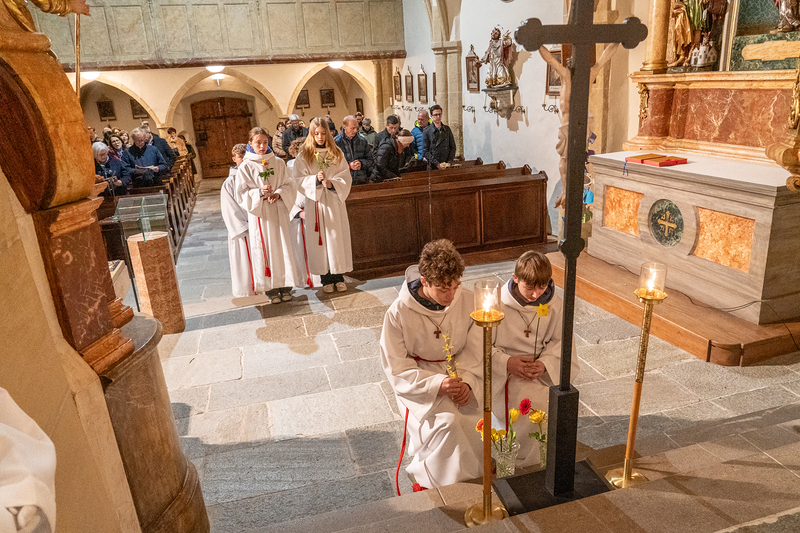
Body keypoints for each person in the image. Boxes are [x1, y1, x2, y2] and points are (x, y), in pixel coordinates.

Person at [380, 239, 483, 489]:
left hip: (461, 373)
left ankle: (478, 476)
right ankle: (442, 481)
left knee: (477, 416)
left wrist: (468, 382)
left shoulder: (467, 300)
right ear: (425, 281)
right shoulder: (398, 312)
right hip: (421, 383)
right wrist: (438, 385)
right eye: (444, 289)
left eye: (456, 286)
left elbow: (476, 346)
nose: (452, 295)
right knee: (448, 423)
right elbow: (396, 367)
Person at [492, 251, 579, 467]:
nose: (535, 294)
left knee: (554, 404)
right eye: (529, 287)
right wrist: (507, 363)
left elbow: (561, 343)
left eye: (541, 287)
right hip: (504, 374)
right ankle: (522, 460)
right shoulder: (496, 303)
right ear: (515, 278)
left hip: (539, 373)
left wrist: (544, 364)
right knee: (535, 406)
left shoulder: (554, 305)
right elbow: (480, 345)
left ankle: (541, 460)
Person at [235, 127, 302, 303]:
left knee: (282, 247)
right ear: (250, 143)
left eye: (265, 142)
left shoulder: (278, 163)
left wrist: (279, 193)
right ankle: (271, 290)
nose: (262, 146)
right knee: (265, 250)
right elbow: (240, 193)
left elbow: (290, 184)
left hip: (278, 210)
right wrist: (258, 192)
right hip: (261, 214)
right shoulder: (246, 166)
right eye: (258, 142)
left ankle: (286, 287)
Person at [292, 117, 353, 294]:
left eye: (323, 133)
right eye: (316, 133)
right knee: (321, 241)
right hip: (316, 203)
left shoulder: (336, 153)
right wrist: (315, 181)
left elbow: (345, 176)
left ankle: (338, 277)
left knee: (335, 238)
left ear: (328, 134)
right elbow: (298, 179)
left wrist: (332, 183)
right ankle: (326, 278)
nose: (320, 137)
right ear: (311, 134)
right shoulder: (304, 155)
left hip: (334, 203)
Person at [221, 143, 256, 298]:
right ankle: (247, 289)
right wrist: (245, 226)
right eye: (240, 157)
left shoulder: (253, 177)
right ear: (234, 159)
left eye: (246, 156)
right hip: (243, 228)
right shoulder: (229, 183)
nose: (244, 159)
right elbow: (229, 209)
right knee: (245, 260)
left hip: (257, 224)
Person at [334, 115, 374, 185]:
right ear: (344, 127)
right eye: (352, 128)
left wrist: (361, 163)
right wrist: (349, 165)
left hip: (361, 181)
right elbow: (333, 164)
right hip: (344, 182)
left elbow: (370, 160)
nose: (355, 131)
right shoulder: (336, 142)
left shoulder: (362, 141)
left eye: (356, 128)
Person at [422, 105, 456, 170]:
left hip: (446, 164)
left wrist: (449, 162)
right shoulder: (427, 131)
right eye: (435, 115)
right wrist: (437, 164)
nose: (438, 117)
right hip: (433, 166)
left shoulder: (447, 129)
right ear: (431, 116)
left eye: (440, 114)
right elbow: (425, 151)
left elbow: (453, 147)